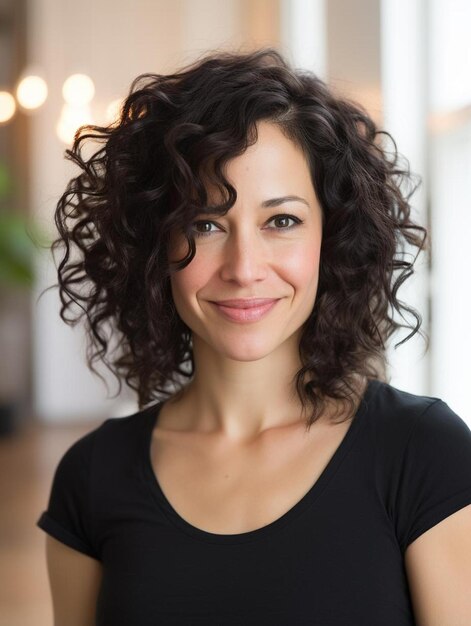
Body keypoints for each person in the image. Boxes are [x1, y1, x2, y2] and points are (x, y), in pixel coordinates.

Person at [36, 47, 471, 625]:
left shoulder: (423, 452)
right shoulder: (91, 478)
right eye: (205, 223)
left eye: (281, 221)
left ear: (331, 237)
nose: (244, 267)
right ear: (155, 245)